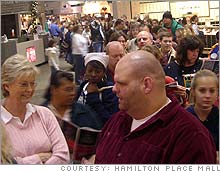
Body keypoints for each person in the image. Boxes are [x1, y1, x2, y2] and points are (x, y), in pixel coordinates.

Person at [95, 50, 216, 164]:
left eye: (121, 83)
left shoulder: (190, 137)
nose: (114, 89)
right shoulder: (116, 122)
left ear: (147, 85)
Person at [1, 54, 70, 164]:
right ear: (7, 86)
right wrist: (39, 158)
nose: (30, 89)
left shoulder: (44, 114)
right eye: (23, 84)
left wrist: (21, 162)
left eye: (32, 84)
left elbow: (63, 156)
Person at [77, 53, 119, 126]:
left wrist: (94, 98)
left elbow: (111, 119)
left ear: (104, 72)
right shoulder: (83, 86)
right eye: (90, 71)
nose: (93, 75)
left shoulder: (110, 90)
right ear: (85, 71)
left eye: (97, 72)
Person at [186, 70, 219, 152]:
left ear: (217, 93)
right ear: (193, 92)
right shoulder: (184, 118)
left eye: (212, 91)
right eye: (202, 91)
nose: (207, 96)